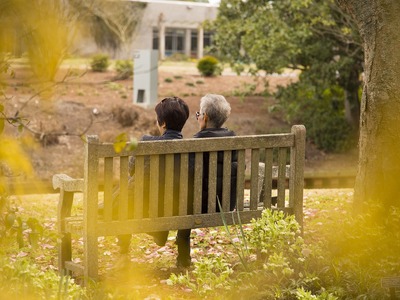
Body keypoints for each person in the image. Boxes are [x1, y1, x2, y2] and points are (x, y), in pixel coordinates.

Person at [116, 96, 190, 255]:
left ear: (162, 123)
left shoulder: (147, 142)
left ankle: (123, 253)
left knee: (126, 193)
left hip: (144, 208)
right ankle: (182, 257)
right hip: (178, 208)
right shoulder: (191, 149)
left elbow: (131, 170)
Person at [176, 94, 238, 268]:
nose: (198, 118)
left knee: (185, 205)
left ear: (206, 117)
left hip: (197, 206)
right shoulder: (234, 140)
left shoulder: (195, 143)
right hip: (226, 204)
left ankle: (183, 260)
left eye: (199, 115)